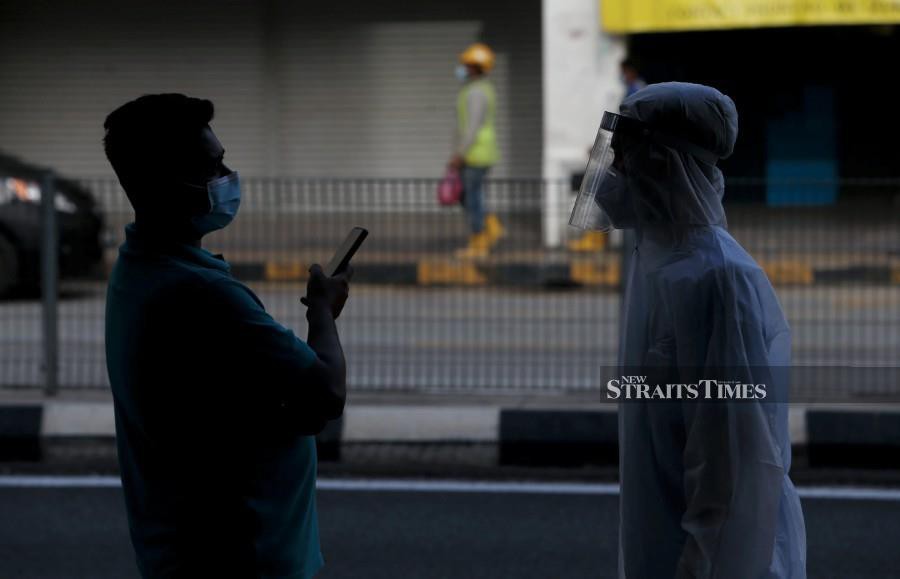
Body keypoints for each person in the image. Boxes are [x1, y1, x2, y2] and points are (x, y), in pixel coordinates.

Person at [103, 94, 351, 579]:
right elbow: (326, 392)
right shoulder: (201, 292)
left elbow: (237, 403)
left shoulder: (138, 269)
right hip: (239, 555)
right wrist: (323, 313)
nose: (227, 177)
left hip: (184, 547)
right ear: (173, 182)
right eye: (213, 166)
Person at [569, 82, 807, 578]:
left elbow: (730, 474)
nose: (614, 169)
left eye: (626, 153)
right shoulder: (658, 264)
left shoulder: (717, 279)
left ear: (663, 162)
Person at [568, 58, 646, 252]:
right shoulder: (637, 90)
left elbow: (628, 125)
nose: (621, 76)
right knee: (609, 191)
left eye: (623, 71)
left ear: (630, 71)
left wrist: (608, 146)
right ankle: (598, 238)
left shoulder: (636, 91)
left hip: (629, 155)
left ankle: (598, 237)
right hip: (628, 154)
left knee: (606, 189)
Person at [450, 42, 503, 258]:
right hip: (478, 152)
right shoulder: (478, 90)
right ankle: (490, 228)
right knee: (470, 196)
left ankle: (479, 241)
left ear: (476, 67)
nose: (463, 68)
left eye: (467, 64)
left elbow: (471, 127)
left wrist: (459, 154)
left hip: (475, 154)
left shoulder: (476, 93)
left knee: (472, 197)